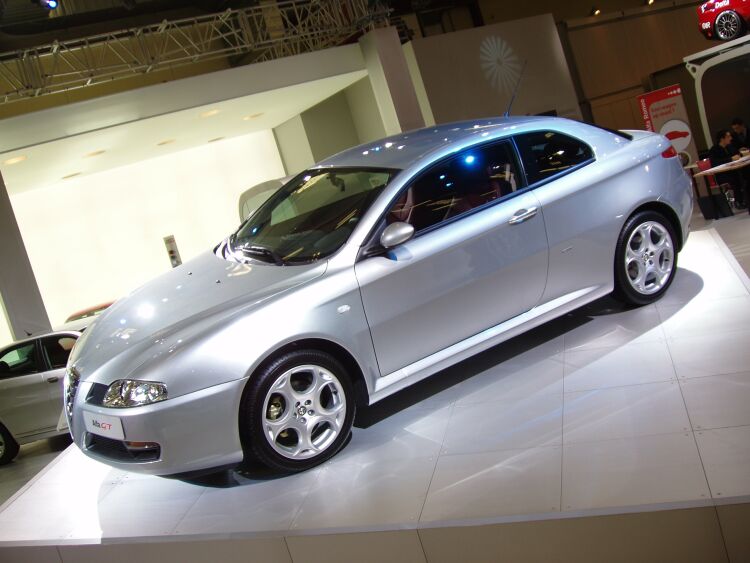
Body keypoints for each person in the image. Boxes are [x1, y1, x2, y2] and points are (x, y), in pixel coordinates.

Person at [709, 129, 747, 210]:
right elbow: (715, 162)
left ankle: (745, 199)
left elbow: (737, 154)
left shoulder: (730, 147)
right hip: (722, 174)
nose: (730, 138)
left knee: (744, 175)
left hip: (733, 171)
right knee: (736, 179)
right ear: (722, 139)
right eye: (728, 136)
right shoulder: (714, 149)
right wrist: (731, 159)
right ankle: (739, 201)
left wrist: (740, 154)